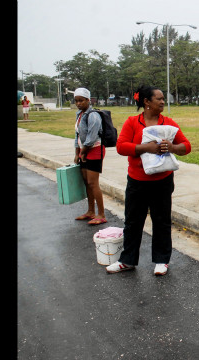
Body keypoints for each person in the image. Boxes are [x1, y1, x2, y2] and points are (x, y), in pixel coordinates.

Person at [106, 85, 191, 276]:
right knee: (133, 221)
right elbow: (121, 147)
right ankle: (127, 261)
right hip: (137, 181)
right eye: (159, 99)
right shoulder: (132, 122)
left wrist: (172, 147)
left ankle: (162, 261)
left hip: (163, 181)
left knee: (162, 221)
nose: (163, 102)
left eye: (163, 99)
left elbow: (186, 146)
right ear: (147, 102)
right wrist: (145, 148)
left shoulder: (168, 123)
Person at [73, 87, 107, 225]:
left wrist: (83, 151)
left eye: (81, 100)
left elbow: (92, 137)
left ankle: (102, 214)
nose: (78, 103)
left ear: (88, 100)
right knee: (87, 183)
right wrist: (77, 152)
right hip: (84, 151)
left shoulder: (93, 115)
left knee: (93, 183)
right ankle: (90, 211)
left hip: (94, 150)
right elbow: (77, 135)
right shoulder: (79, 114)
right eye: (76, 101)